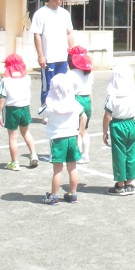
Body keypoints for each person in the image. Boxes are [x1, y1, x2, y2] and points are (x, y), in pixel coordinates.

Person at [30, 0, 74, 116]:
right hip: (49, 57)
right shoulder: (40, 14)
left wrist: (72, 52)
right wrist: (40, 55)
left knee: (62, 84)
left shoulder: (65, 13)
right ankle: (46, 112)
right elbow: (37, 35)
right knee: (48, 85)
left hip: (62, 57)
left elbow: (69, 33)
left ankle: (60, 110)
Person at [41, 73, 84, 205]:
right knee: (72, 167)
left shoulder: (49, 105)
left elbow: (42, 115)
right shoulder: (74, 103)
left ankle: (54, 195)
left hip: (57, 139)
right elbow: (84, 116)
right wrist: (80, 132)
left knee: (57, 169)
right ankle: (72, 193)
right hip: (72, 136)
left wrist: (47, 119)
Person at [101, 63, 135, 196]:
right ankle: (129, 182)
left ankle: (120, 185)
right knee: (132, 153)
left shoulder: (112, 96)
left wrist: (104, 131)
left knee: (119, 154)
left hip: (117, 125)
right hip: (131, 123)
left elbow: (107, 116)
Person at [0, 53, 39, 170]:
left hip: (12, 109)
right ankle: (33, 154)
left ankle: (14, 162)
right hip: (25, 107)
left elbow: (1, 98)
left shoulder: (5, 80)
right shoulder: (27, 78)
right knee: (26, 132)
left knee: (13, 137)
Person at [67, 46, 93, 162]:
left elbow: (68, 92)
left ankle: (77, 155)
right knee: (85, 130)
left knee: (75, 130)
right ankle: (85, 155)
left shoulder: (71, 74)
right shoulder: (90, 73)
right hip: (87, 100)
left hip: (76, 100)